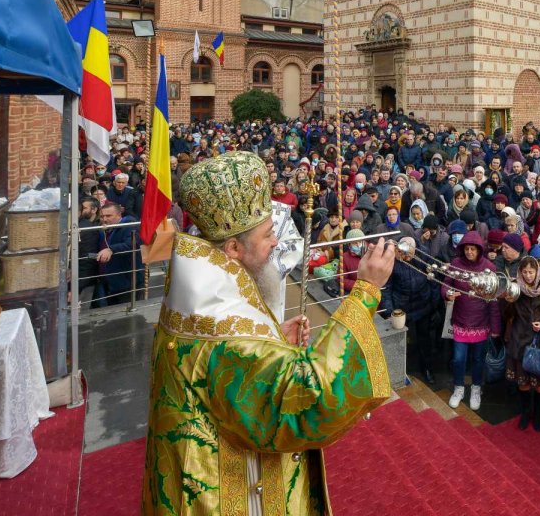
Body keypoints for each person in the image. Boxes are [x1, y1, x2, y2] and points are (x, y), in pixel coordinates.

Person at [143, 152, 394, 514]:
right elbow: (309, 397)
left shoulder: (199, 292)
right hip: (225, 492)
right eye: (266, 235)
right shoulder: (223, 326)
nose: (276, 242)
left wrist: (274, 339)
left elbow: (233, 370)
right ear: (232, 248)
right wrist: (366, 292)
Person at [443, 232, 502, 411]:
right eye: (466, 249)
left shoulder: (489, 268)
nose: (469, 252)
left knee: (478, 359)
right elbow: (446, 282)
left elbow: (494, 299)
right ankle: (459, 387)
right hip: (461, 320)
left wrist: (495, 326)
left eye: (472, 249)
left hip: (481, 323)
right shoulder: (456, 264)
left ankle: (476, 388)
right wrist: (447, 293)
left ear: (479, 250)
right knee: (459, 359)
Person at [505, 255, 540, 431]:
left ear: (538, 271)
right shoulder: (515, 289)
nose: (529, 276)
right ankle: (525, 412)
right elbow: (507, 315)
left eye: (532, 272)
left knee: (539, 382)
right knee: (523, 381)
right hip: (519, 339)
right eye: (525, 272)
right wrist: (507, 299)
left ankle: (538, 413)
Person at [382, 236, 441, 387]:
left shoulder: (424, 257)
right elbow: (387, 287)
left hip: (423, 305)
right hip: (402, 307)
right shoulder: (394, 259)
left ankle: (427, 369)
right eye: (404, 254)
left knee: (424, 340)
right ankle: (398, 370)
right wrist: (389, 311)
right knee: (399, 340)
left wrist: (434, 305)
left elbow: (433, 281)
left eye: (409, 254)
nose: (406, 257)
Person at [94, 200, 143, 306]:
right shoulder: (104, 229)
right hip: (110, 280)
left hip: (127, 281)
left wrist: (111, 249)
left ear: (119, 214)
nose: (104, 219)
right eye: (102, 217)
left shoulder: (131, 225)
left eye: (108, 216)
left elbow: (132, 244)